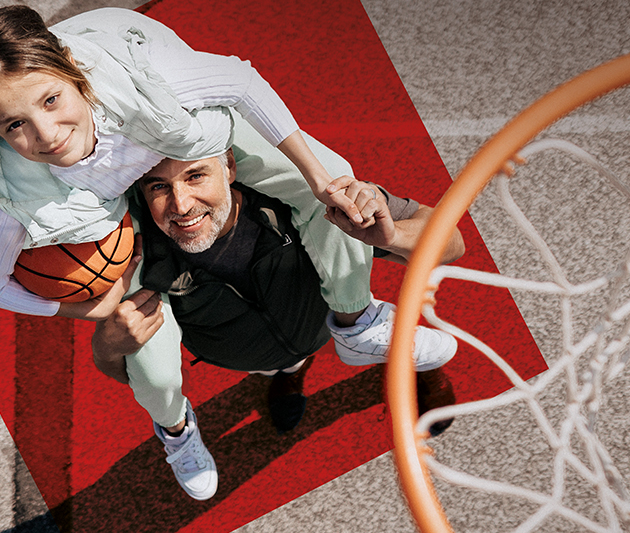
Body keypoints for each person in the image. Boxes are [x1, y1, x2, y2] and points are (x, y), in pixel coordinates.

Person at [0, 5, 383, 500]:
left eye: (51, 99)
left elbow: (241, 81)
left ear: (73, 71)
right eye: (13, 125)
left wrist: (318, 179)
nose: (46, 134)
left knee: (334, 182)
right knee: (152, 369)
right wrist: (86, 310)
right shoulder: (14, 196)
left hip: (171, 134)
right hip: (115, 215)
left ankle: (355, 320)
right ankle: (176, 429)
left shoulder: (149, 81)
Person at [90, 150, 465, 499]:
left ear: (230, 166)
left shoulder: (302, 198)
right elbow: (137, 376)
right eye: (158, 186)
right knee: (282, 363)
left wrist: (394, 236)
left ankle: (425, 372)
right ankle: (289, 374)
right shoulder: (136, 258)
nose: (182, 204)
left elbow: (453, 242)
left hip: (325, 320)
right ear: (140, 192)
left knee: (410, 345)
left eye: (196, 176)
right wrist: (106, 345)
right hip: (257, 356)